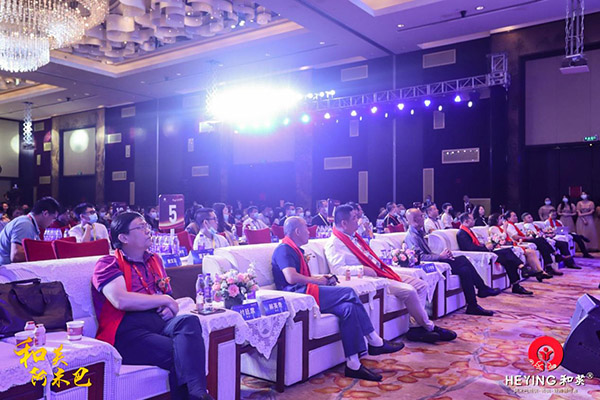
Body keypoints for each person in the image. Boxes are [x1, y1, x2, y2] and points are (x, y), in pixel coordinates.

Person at [93, 212, 212, 400]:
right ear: (123, 238)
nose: (148, 231)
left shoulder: (154, 260)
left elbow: (167, 294)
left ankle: (198, 395)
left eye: (147, 226)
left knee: (189, 321)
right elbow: (120, 300)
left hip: (157, 323)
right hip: (127, 330)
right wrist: (165, 300)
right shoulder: (108, 263)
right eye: (140, 227)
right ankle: (199, 394)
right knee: (182, 353)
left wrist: (169, 305)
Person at [272, 216, 403, 382]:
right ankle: (374, 340)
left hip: (306, 290)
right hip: (299, 295)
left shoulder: (295, 249)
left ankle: (353, 364)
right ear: (297, 231)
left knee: (349, 308)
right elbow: (291, 278)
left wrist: (322, 279)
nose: (309, 231)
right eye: (306, 227)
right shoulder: (284, 249)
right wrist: (318, 281)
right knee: (349, 292)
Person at [324, 204, 457, 342]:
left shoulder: (354, 237)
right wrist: (362, 269)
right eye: (354, 218)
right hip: (369, 278)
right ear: (344, 223)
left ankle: (416, 328)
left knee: (422, 285)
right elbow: (337, 270)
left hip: (380, 272)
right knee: (410, 291)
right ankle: (430, 327)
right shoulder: (334, 243)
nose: (358, 220)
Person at [404, 208, 499, 315]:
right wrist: (440, 257)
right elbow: (420, 257)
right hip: (427, 266)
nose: (423, 218)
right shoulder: (411, 236)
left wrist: (443, 255)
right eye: (421, 216)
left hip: (435, 262)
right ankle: (482, 288)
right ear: (415, 219)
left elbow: (427, 253)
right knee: (462, 259)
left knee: (465, 270)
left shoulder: (419, 233)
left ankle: (472, 306)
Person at [457, 213, 535, 295]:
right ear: (466, 221)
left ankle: (517, 283)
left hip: (484, 251)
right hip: (479, 254)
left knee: (508, 258)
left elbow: (476, 244)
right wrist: (486, 248)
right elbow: (470, 248)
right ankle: (522, 269)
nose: (474, 221)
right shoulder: (462, 233)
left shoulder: (469, 231)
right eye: (472, 219)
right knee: (507, 253)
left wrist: (486, 245)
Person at [488, 213, 551, 281]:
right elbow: (503, 237)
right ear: (495, 220)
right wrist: (505, 228)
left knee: (531, 252)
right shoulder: (493, 228)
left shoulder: (500, 227)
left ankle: (540, 272)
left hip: (510, 244)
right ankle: (536, 273)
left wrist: (517, 242)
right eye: (500, 219)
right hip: (503, 247)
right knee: (530, 249)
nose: (502, 221)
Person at [0, 197, 60, 265]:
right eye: (53, 218)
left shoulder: (29, 223)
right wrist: (46, 253)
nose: (52, 223)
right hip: (5, 269)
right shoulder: (25, 224)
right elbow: (16, 256)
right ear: (45, 213)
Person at [504, 211, 563, 276]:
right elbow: (515, 237)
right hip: (520, 242)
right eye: (514, 216)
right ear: (508, 218)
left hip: (524, 239)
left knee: (541, 240)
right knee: (539, 240)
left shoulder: (514, 225)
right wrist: (527, 237)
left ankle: (550, 264)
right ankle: (553, 257)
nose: (516, 217)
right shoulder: (509, 225)